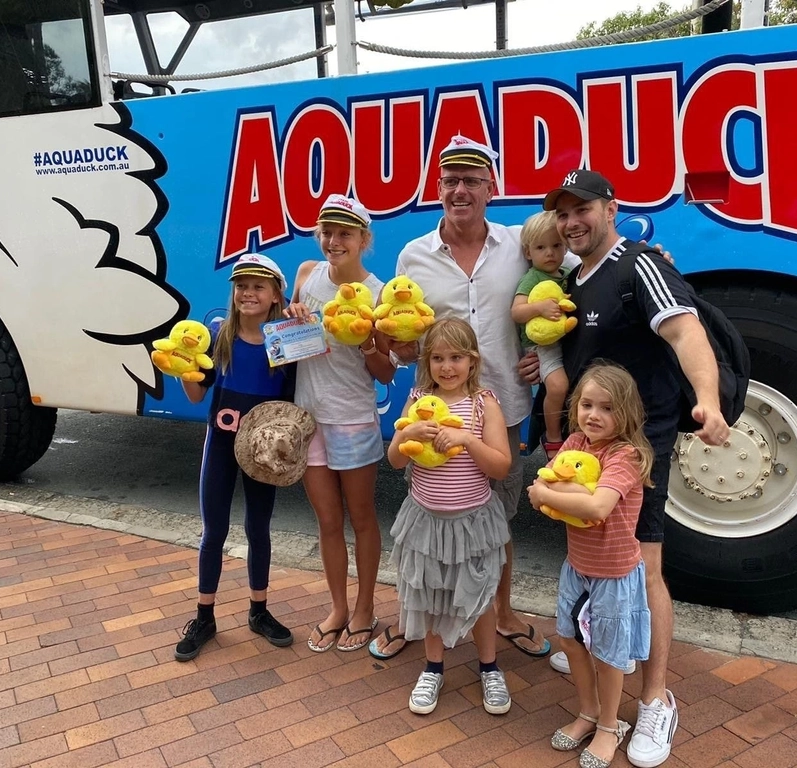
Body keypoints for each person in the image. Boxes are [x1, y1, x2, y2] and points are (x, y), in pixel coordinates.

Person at [543, 169, 731, 768]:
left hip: (636, 452)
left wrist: (708, 399)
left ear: (612, 208)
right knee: (596, 564)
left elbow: (684, 330)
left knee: (642, 570)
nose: (573, 222)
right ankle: (603, 654)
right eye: (563, 214)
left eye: (583, 210)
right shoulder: (575, 278)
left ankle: (653, 700)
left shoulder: (639, 264)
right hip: (586, 450)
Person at [370, 135, 552, 661]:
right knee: (429, 519)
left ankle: (503, 609)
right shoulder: (414, 256)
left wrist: (545, 351)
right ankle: (422, 617)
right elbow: (406, 341)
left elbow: (559, 288)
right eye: (451, 180)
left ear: (491, 188)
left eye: (472, 179)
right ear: (438, 188)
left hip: (504, 407)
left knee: (498, 518)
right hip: (433, 414)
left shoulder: (520, 246)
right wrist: (402, 349)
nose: (461, 189)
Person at [284, 194, 396, 653]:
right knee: (327, 521)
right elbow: (291, 344)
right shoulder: (306, 275)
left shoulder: (381, 291)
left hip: (351, 419)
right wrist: (290, 318)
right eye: (327, 231)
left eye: (345, 233)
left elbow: (386, 372)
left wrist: (369, 342)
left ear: (363, 240)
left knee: (362, 518)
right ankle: (337, 607)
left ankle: (366, 606)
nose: (334, 240)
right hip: (309, 419)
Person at [528, 362, 654, 768]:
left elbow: (597, 505)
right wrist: (549, 493)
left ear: (627, 413)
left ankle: (609, 725)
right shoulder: (575, 443)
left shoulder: (626, 455)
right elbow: (539, 490)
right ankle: (588, 712)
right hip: (577, 566)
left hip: (614, 574)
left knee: (608, 654)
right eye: (586, 404)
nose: (594, 415)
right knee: (571, 641)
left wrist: (549, 494)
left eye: (607, 408)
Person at [174, 253, 296, 661]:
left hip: (264, 455)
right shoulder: (218, 335)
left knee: (258, 528)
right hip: (221, 447)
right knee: (214, 532)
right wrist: (184, 369)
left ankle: (258, 610)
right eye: (242, 285)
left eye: (259, 286)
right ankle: (204, 615)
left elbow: (306, 388)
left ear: (276, 293)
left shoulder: (286, 339)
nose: (248, 293)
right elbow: (196, 395)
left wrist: (304, 320)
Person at [388, 318, 513, 716]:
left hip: (473, 522)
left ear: (472, 361)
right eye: (438, 358)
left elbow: (501, 467)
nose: (447, 367)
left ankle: (489, 667)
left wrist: (467, 440)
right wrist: (409, 436)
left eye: (456, 358)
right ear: (427, 362)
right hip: (425, 522)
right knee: (429, 597)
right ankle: (433, 668)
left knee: (476, 598)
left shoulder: (483, 403)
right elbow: (392, 460)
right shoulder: (419, 399)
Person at [510, 210, 572, 459]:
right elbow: (517, 312)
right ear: (528, 252)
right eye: (541, 247)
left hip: (562, 341)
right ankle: (553, 436)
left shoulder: (567, 275)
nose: (550, 253)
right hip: (540, 346)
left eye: (556, 245)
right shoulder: (532, 277)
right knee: (557, 386)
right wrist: (539, 307)